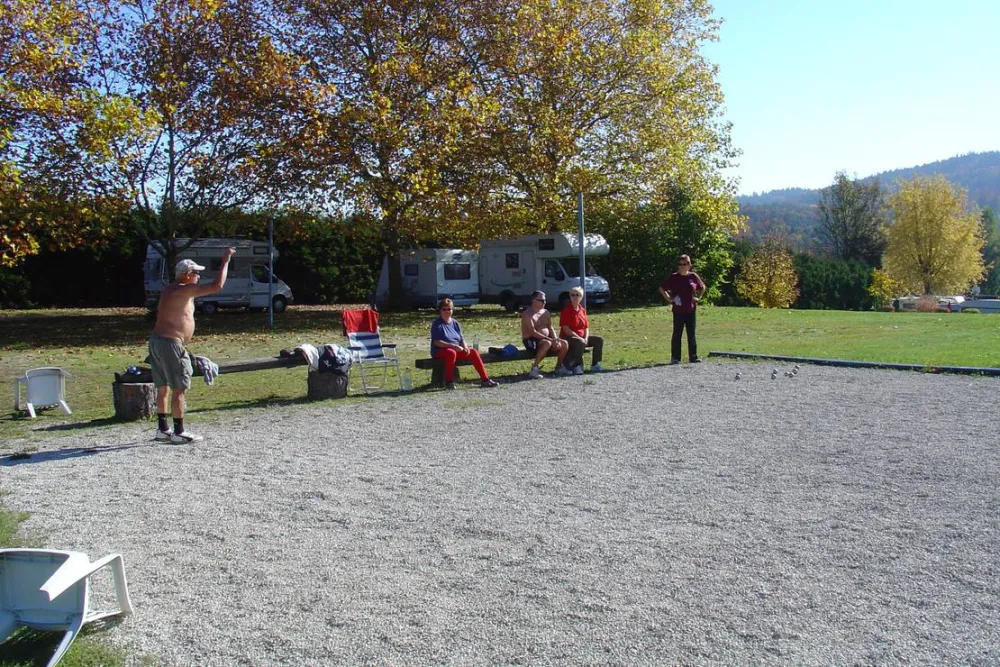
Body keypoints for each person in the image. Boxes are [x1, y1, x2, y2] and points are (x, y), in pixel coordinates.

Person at [149, 248, 236, 443]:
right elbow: (217, 285)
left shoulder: (172, 289)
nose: (199, 276)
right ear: (187, 275)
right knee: (179, 386)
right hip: (170, 344)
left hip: (157, 341)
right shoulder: (183, 289)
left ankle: (162, 429)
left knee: (163, 386)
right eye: (196, 273)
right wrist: (226, 261)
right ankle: (179, 432)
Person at [430, 298, 500, 389]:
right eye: (444, 309)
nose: (447, 311)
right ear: (440, 310)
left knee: (473, 351)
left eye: (449, 309)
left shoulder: (455, 323)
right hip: (440, 351)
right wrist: (453, 346)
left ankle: (485, 380)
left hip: (456, 349)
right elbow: (437, 342)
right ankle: (448, 382)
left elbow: (461, 338)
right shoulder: (437, 324)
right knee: (451, 352)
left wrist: (465, 347)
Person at [658, 254, 706, 364]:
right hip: (678, 311)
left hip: (691, 310)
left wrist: (698, 297)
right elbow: (661, 288)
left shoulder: (693, 276)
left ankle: (693, 356)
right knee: (677, 334)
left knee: (691, 334)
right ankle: (675, 358)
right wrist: (669, 299)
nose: (683, 266)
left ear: (690, 265)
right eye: (680, 264)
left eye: (685, 264)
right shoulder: (674, 277)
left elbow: (702, 287)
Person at [521, 290, 570, 378]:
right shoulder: (527, 314)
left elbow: (550, 328)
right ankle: (534, 369)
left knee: (564, 344)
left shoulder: (545, 312)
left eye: (545, 300)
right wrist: (551, 340)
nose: (544, 302)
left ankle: (559, 367)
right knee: (547, 343)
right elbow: (533, 332)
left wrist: (555, 339)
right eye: (542, 300)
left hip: (547, 339)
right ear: (534, 300)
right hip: (531, 340)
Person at [559, 286, 604, 374]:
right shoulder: (566, 311)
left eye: (577, 295)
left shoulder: (582, 310)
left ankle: (595, 364)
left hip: (582, 337)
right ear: (570, 297)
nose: (575, 297)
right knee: (581, 342)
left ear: (581, 297)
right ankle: (576, 365)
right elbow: (566, 329)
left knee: (598, 340)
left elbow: (586, 327)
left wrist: (586, 338)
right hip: (568, 337)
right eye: (572, 295)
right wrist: (580, 338)